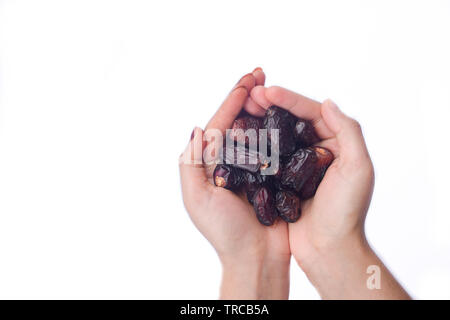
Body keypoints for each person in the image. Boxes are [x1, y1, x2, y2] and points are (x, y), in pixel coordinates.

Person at [178, 68, 411, 300]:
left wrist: (336, 244)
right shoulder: (263, 164)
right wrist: (334, 247)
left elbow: (275, 168)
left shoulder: (278, 162)